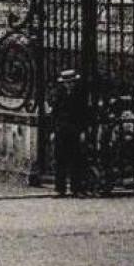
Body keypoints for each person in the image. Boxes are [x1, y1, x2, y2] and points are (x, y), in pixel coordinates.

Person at [51, 68, 86, 196]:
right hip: (61, 130)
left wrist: (82, 131)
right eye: (66, 82)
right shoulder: (59, 95)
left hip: (75, 130)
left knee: (76, 159)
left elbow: (84, 115)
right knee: (60, 159)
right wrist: (53, 131)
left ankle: (76, 188)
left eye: (71, 82)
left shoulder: (80, 95)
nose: (69, 85)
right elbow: (54, 114)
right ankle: (60, 189)